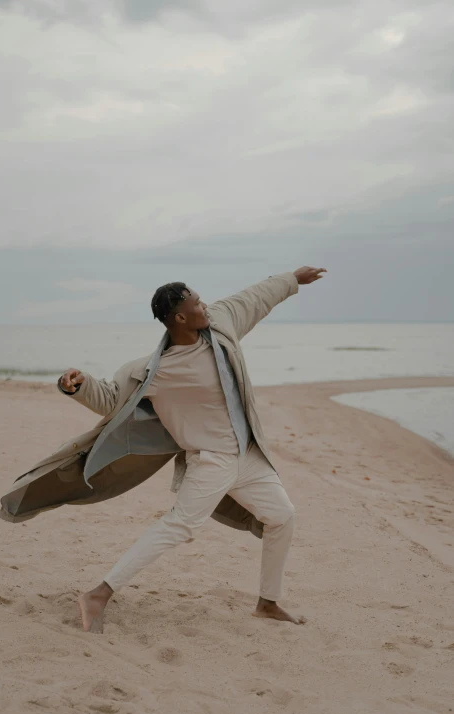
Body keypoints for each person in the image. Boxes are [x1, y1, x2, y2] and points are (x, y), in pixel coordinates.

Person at [56, 266, 326, 633]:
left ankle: (268, 602)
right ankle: (98, 595)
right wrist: (78, 386)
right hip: (211, 460)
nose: (205, 306)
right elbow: (111, 399)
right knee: (178, 527)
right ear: (180, 317)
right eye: (198, 303)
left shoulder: (221, 324)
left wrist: (293, 279)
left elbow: (255, 297)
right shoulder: (155, 370)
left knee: (282, 515)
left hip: (247, 455)